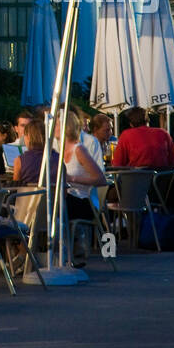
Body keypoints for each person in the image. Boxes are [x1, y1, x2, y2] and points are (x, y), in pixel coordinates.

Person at [56, 113, 105, 265]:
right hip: (68, 198)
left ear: (66, 127)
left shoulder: (79, 150)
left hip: (84, 201)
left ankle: (65, 256)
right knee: (47, 205)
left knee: (56, 207)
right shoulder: (57, 150)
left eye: (57, 125)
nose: (53, 128)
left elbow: (100, 179)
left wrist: (72, 179)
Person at [112, 107, 174, 171]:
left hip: (137, 178)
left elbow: (117, 164)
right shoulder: (163, 133)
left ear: (131, 124)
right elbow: (172, 161)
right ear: (147, 120)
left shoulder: (126, 135)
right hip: (163, 177)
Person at [11, 120, 57, 187]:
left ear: (28, 137)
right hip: (54, 197)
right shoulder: (58, 158)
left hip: (27, 196)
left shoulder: (19, 161)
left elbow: (15, 188)